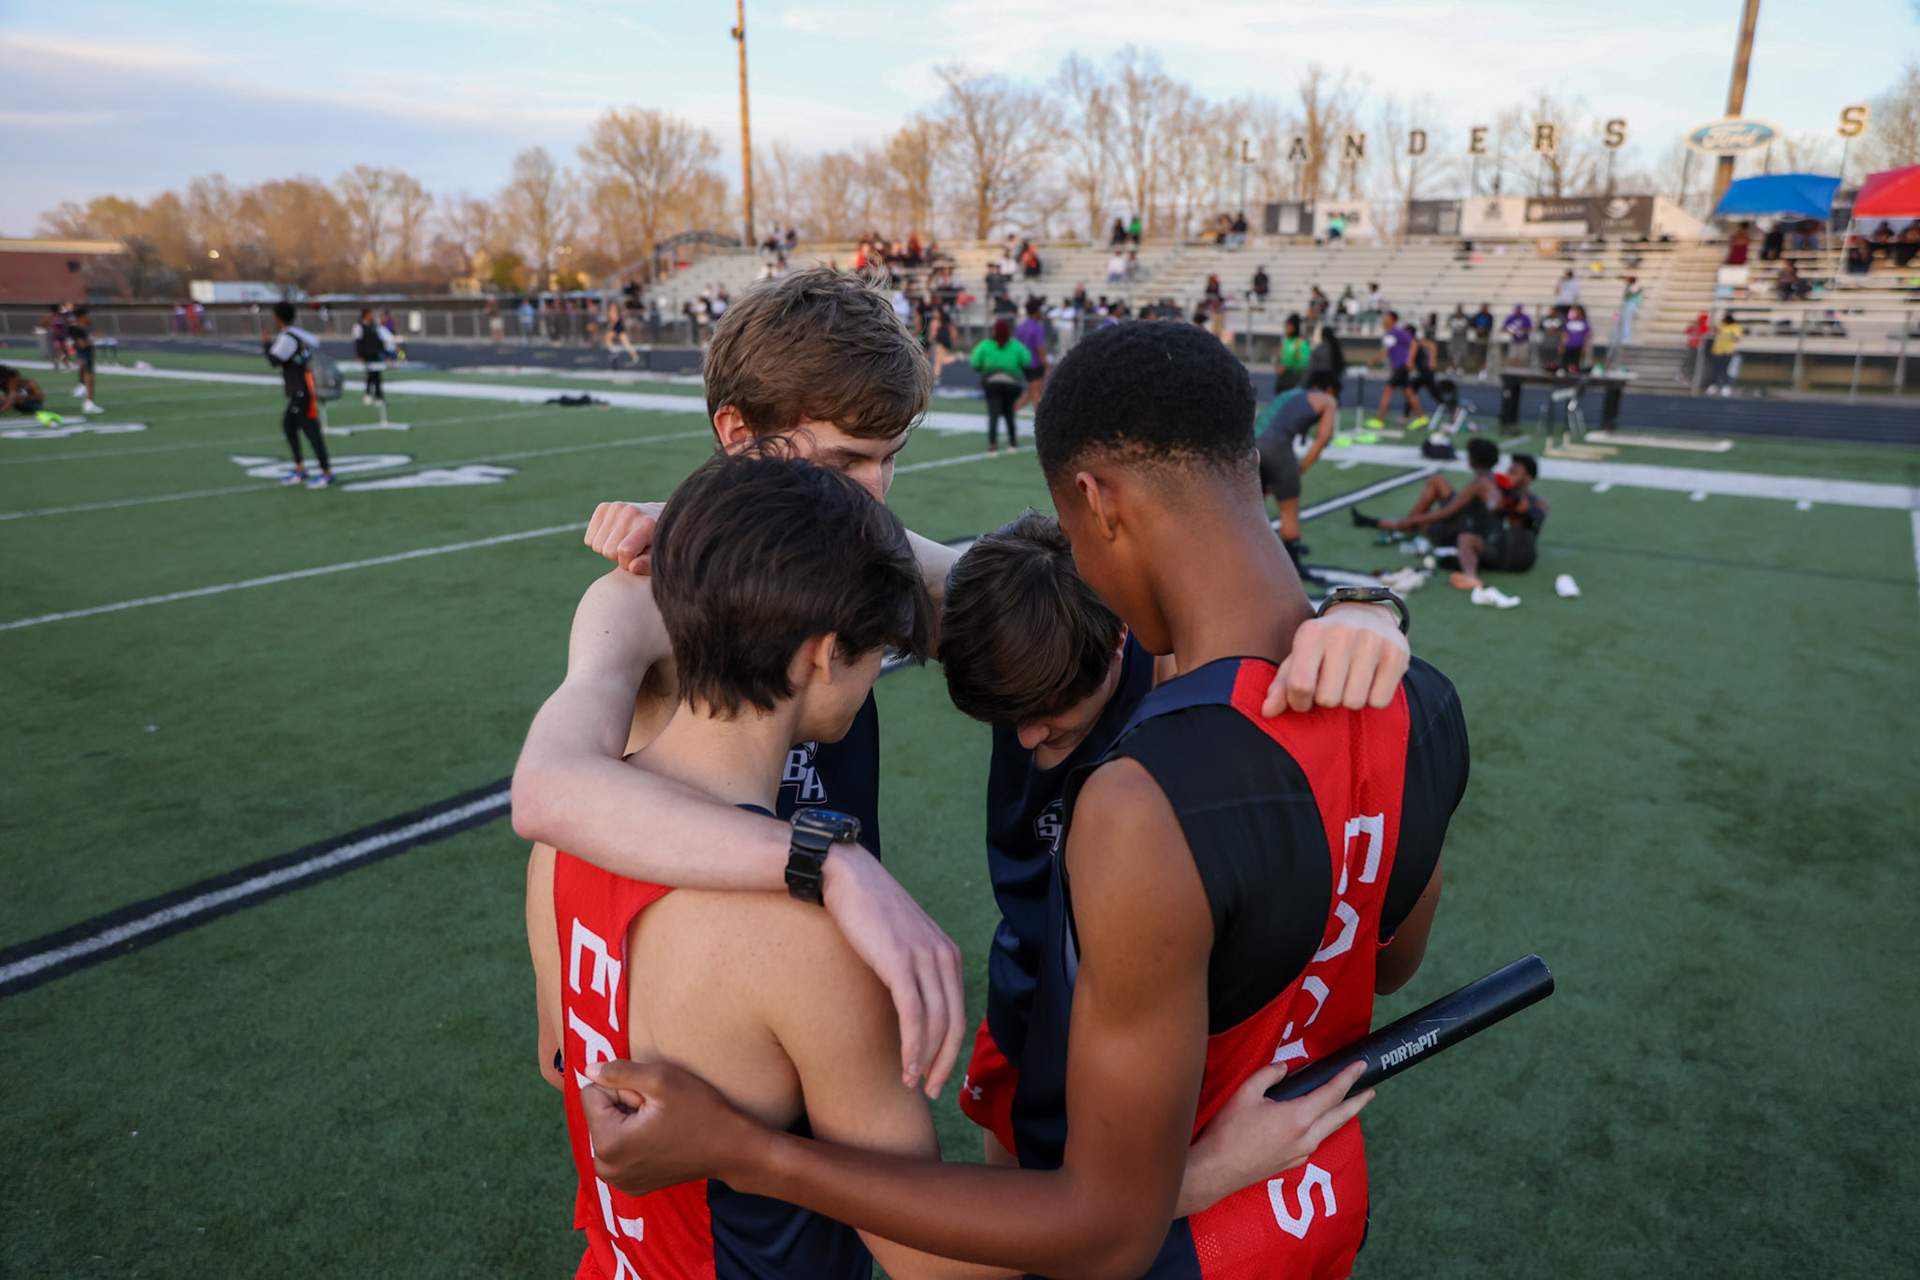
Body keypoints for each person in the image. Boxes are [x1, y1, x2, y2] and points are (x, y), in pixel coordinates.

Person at [577, 320, 1465, 1280]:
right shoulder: (1420, 700)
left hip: (1188, 1243)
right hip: (1320, 1211)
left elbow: (1100, 1225)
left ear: (1093, 500)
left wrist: (751, 1153)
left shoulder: (1142, 803)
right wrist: (1364, 603)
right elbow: (1392, 961)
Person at [1352, 436, 1508, 596]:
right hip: (1472, 525)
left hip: (1464, 531)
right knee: (1437, 480)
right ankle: (1403, 525)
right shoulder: (1491, 479)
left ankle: (1389, 524)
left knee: (1424, 519)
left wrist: (1414, 520)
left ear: (1474, 459)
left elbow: (1446, 513)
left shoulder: (1479, 483)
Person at [1256, 369, 1340, 568]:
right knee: (1289, 511)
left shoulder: (1289, 393)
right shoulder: (1327, 399)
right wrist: (1301, 468)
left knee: (1255, 506)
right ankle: (1293, 565)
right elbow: (1323, 439)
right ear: (1328, 388)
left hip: (1251, 446)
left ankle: (1252, 555)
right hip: (1278, 449)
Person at [262, 301, 333, 489]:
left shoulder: (287, 337)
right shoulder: (298, 333)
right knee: (289, 426)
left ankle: (326, 472)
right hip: (302, 388)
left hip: (302, 390)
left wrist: (266, 343)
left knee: (311, 431)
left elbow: (274, 360)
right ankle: (300, 467)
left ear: (278, 318)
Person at [971, 317, 1031, 456]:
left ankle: (992, 446)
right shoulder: (1015, 346)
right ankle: (1013, 443)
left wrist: (985, 369)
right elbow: (1026, 360)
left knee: (994, 414)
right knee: (1009, 413)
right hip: (1012, 385)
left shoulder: (986, 345)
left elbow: (975, 362)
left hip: (991, 384)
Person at [1481, 452, 1548, 576]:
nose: (1508, 476)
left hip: (1521, 557)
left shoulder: (1539, 502)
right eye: (1509, 471)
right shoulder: (1499, 496)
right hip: (1497, 549)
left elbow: (1538, 518)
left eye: (1514, 472)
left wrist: (1527, 512)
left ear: (1528, 478)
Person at [1372, 309, 1421, 424]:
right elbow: (1389, 351)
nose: (1384, 320)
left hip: (1401, 366)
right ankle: (1421, 417)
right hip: (1397, 366)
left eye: (1386, 318)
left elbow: (1414, 343)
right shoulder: (1388, 334)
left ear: (1393, 320)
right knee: (1408, 392)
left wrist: (1410, 360)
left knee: (1387, 391)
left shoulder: (1398, 332)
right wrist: (1374, 358)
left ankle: (1379, 420)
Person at [352, 308, 396, 404]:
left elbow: (378, 341)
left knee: (377, 376)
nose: (371, 316)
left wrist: (385, 354)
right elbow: (358, 342)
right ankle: (369, 394)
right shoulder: (359, 326)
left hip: (375, 353)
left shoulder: (373, 326)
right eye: (369, 314)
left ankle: (378, 396)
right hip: (366, 354)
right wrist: (360, 355)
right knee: (370, 375)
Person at [66, 306, 104, 415]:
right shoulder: (78, 329)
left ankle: (87, 399)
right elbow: (81, 344)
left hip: (85, 355)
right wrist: (94, 339)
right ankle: (89, 403)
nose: (88, 317)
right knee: (90, 379)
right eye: (86, 315)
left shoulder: (83, 327)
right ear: (82, 317)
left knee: (88, 378)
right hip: (84, 355)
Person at [1014, 299, 1049, 414]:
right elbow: (1039, 348)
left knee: (1031, 392)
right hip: (1035, 363)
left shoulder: (1021, 327)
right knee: (1036, 393)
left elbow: (1017, 345)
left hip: (1025, 364)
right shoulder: (1037, 327)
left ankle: (1011, 410)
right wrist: (1046, 365)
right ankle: (1039, 419)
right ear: (1036, 311)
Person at [1708, 312, 1743, 397]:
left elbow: (1737, 338)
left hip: (1727, 351)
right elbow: (1715, 332)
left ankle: (1726, 386)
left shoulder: (1735, 327)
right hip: (1717, 351)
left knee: (1725, 370)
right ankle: (1714, 385)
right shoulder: (1722, 326)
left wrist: (1732, 335)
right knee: (1716, 369)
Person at [1274, 314, 1311, 392]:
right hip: (1283, 382)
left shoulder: (1301, 343)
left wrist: (1287, 369)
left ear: (1294, 327)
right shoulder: (1286, 342)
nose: (1286, 328)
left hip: (1294, 383)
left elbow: (1304, 365)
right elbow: (1282, 361)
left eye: (1288, 326)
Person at [605, 300, 640, 368]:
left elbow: (616, 320)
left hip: (618, 328)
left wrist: (612, 324)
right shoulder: (611, 311)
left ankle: (634, 356)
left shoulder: (615, 311)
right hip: (617, 328)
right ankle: (614, 351)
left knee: (625, 343)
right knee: (608, 338)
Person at [1560, 304, 1591, 374]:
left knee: (1575, 364)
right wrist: (1562, 344)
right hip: (1569, 345)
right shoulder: (1569, 321)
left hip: (1578, 345)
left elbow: (1587, 335)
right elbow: (1565, 334)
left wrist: (1585, 347)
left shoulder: (1584, 322)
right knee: (1565, 362)